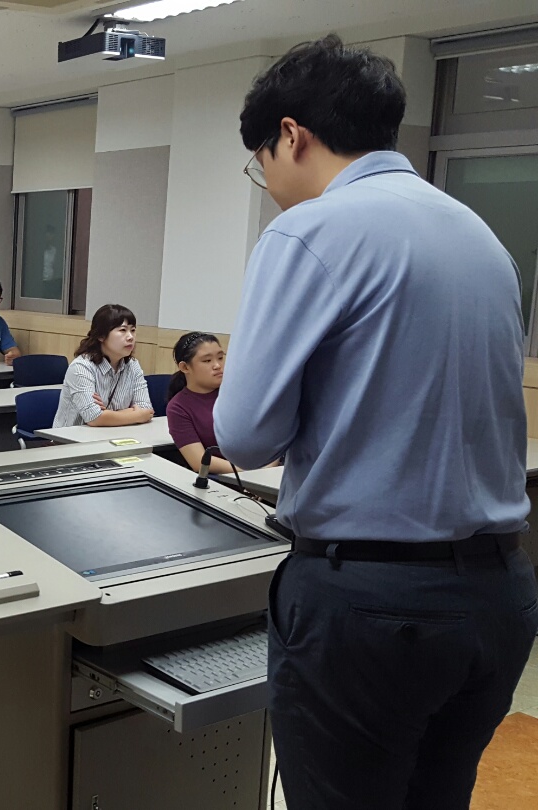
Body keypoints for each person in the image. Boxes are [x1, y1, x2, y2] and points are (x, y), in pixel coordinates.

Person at [214, 36, 537, 810]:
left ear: (290, 135)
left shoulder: (308, 231)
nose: (268, 183)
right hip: (498, 596)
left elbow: (246, 434)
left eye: (261, 163)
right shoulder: (480, 236)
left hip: (370, 602)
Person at [51, 304, 153, 428]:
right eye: (122, 330)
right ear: (101, 336)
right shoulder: (81, 367)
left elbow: (146, 409)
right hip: (71, 438)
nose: (130, 337)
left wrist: (106, 415)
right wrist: (136, 415)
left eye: (133, 330)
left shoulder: (132, 365)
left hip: (114, 434)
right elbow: (94, 418)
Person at [165, 332, 234, 475]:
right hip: (229, 479)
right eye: (207, 361)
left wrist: (269, 466)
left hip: (268, 472)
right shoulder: (178, 407)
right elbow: (199, 461)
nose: (217, 365)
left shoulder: (237, 393)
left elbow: (267, 438)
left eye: (220, 358)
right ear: (185, 367)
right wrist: (249, 472)